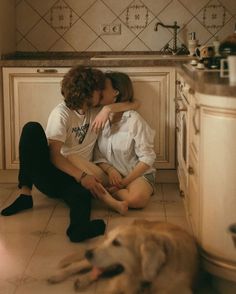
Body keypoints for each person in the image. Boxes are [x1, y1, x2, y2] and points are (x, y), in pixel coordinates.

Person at [0, 66, 138, 242]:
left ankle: (78, 229)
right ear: (88, 92)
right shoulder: (61, 114)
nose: (102, 92)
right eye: (99, 89)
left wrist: (107, 110)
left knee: (81, 196)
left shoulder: (97, 109)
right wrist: (82, 176)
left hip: (74, 178)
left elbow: (135, 103)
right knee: (31, 128)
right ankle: (25, 194)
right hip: (53, 173)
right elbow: (54, 155)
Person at [94, 71, 156, 210]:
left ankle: (109, 194)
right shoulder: (98, 117)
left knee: (136, 200)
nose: (99, 91)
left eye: (103, 87)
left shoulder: (133, 120)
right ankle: (111, 194)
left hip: (136, 174)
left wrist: (123, 183)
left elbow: (147, 158)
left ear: (116, 92)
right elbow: (97, 154)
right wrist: (110, 170)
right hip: (110, 174)